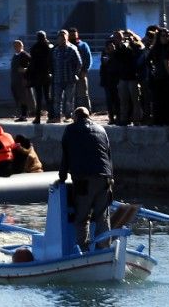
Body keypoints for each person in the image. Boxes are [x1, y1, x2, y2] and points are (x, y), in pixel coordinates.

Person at [59, 107, 113, 251]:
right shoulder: (101, 129)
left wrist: (62, 178)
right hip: (104, 178)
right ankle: (104, 249)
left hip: (83, 179)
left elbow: (66, 156)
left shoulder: (70, 130)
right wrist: (111, 178)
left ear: (75, 117)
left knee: (82, 217)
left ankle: (82, 250)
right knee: (102, 216)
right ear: (89, 116)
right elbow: (108, 156)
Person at [50, 30, 82, 123]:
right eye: (60, 38)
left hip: (69, 79)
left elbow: (79, 63)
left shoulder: (72, 49)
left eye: (63, 37)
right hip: (58, 78)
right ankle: (57, 117)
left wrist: (75, 74)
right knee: (57, 100)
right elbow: (53, 63)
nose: (62, 39)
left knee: (69, 100)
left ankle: (69, 116)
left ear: (67, 38)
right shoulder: (55, 50)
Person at [114, 31, 143, 126]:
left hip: (133, 77)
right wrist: (119, 47)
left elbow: (135, 56)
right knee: (123, 100)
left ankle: (137, 119)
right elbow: (117, 58)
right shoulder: (118, 47)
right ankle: (124, 119)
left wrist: (130, 44)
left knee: (135, 100)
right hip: (123, 77)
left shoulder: (135, 46)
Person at [28, 31, 53, 124]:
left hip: (39, 75)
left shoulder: (35, 47)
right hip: (45, 74)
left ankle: (38, 117)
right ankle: (50, 116)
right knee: (47, 96)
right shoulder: (48, 46)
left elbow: (32, 63)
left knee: (40, 97)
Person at [10, 40, 35, 122]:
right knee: (18, 98)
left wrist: (25, 70)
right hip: (15, 80)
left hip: (23, 80)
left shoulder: (24, 54)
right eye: (15, 46)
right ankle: (22, 114)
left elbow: (33, 64)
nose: (16, 47)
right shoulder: (15, 55)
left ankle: (24, 115)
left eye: (18, 45)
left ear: (21, 46)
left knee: (25, 98)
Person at [69, 28, 93, 111]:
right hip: (69, 74)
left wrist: (85, 70)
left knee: (83, 94)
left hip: (81, 73)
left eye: (75, 34)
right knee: (70, 95)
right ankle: (72, 112)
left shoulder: (83, 45)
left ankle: (87, 111)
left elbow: (89, 59)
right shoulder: (66, 46)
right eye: (71, 35)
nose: (73, 36)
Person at [100, 38, 121, 125]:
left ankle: (119, 117)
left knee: (117, 100)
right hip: (108, 81)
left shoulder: (117, 55)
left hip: (116, 81)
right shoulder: (105, 56)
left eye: (112, 46)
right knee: (109, 100)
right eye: (108, 47)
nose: (110, 48)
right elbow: (103, 69)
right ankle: (111, 117)